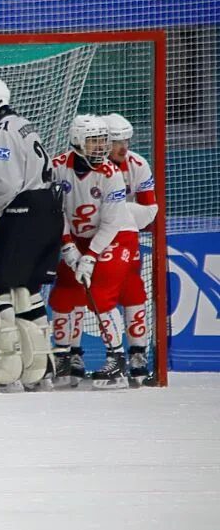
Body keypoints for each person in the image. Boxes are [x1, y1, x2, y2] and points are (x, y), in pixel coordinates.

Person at [0, 76, 61, 390]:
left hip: (23, 213)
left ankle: (5, 368)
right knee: (26, 290)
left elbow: (4, 185)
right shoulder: (23, 123)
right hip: (49, 210)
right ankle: (39, 367)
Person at [48, 115, 141, 390]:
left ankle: (118, 360)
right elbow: (58, 211)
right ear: (77, 141)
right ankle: (67, 357)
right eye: (94, 141)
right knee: (64, 293)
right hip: (76, 237)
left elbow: (111, 222)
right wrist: (67, 246)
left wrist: (89, 257)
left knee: (98, 292)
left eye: (104, 141)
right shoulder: (57, 167)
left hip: (114, 236)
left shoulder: (111, 174)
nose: (101, 147)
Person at [103, 112, 157, 383]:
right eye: (116, 141)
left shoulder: (138, 163)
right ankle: (76, 355)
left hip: (126, 238)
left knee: (134, 291)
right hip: (92, 238)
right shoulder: (93, 165)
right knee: (83, 296)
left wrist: (115, 213)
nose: (124, 147)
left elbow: (150, 211)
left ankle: (138, 353)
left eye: (127, 140)